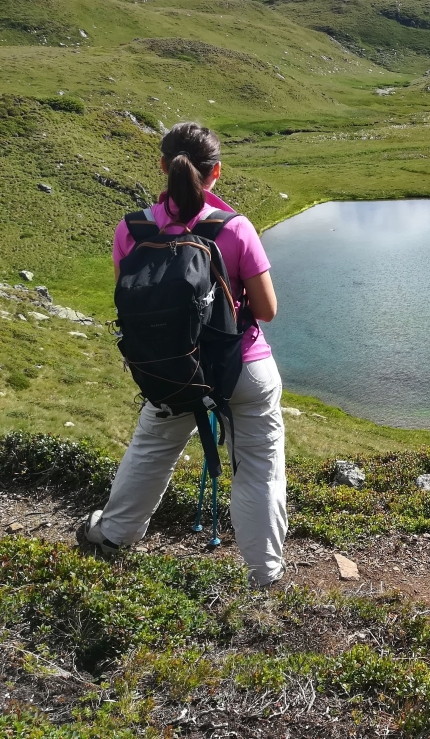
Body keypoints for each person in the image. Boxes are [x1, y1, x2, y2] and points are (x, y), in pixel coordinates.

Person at [79, 122, 287, 589]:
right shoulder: (234, 228)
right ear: (217, 172)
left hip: (171, 369)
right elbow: (268, 311)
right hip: (242, 366)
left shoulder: (131, 228)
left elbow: (130, 298)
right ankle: (266, 576)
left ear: (162, 165)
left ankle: (113, 537)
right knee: (258, 468)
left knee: (152, 449)